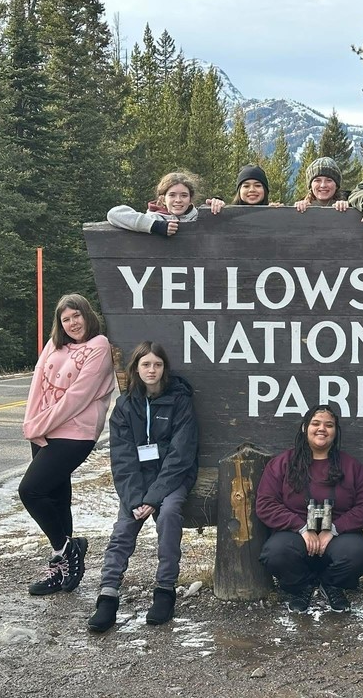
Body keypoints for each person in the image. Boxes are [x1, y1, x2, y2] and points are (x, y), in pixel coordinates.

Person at [87, 342, 198, 632]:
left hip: (172, 478)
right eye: (146, 364)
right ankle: (108, 595)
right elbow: (122, 457)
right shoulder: (125, 405)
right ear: (136, 368)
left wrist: (154, 496)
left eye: (157, 365)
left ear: (164, 369)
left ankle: (164, 590)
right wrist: (137, 498)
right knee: (123, 528)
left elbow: (181, 453)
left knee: (170, 514)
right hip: (137, 482)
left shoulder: (180, 400)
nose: (152, 370)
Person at [20, 293, 116, 596]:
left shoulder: (98, 346)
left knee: (30, 491)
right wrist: (32, 422)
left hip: (76, 432)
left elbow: (79, 396)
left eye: (77, 316)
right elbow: (37, 383)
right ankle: (61, 571)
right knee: (57, 499)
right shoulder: (54, 344)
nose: (73, 323)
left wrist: (42, 423)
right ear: (59, 323)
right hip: (43, 429)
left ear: (87, 316)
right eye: (66, 318)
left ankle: (69, 549)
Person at [255, 405, 363, 613]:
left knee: (360, 553)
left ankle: (331, 585)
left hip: (339, 538)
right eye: (316, 423)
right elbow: (266, 504)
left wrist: (334, 529)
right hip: (295, 536)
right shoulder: (282, 464)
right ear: (304, 428)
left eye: (329, 425)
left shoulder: (352, 467)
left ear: (335, 431)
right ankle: (304, 586)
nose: (322, 429)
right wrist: (302, 528)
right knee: (275, 553)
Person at [107, 171, 225, 236]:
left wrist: (217, 205)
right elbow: (113, 214)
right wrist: (155, 226)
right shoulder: (154, 217)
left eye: (184, 195)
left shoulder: (198, 217)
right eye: (172, 195)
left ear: (190, 199)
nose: (178, 200)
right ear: (163, 199)